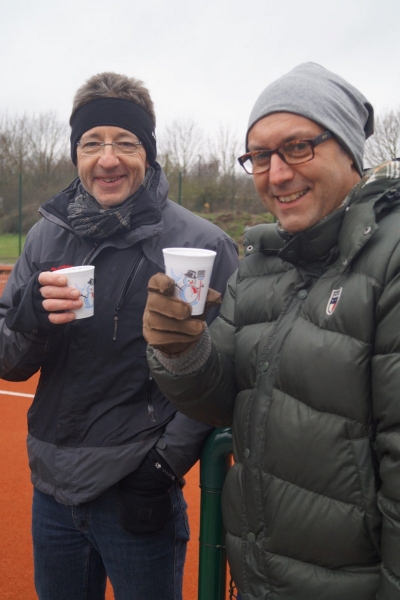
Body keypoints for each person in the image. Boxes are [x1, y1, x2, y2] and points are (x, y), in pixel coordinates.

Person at [144, 62, 400, 599]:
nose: (276, 174)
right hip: (260, 580)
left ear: (349, 152)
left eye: (298, 147)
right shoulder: (260, 263)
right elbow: (222, 402)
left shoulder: (391, 257)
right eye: (259, 157)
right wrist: (182, 350)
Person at [0, 72, 238, 600]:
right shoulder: (44, 237)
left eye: (125, 142)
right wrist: (28, 316)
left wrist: (163, 465)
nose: (107, 159)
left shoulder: (203, 245)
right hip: (52, 490)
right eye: (92, 143)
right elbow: (8, 362)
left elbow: (223, 370)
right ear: (76, 155)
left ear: (148, 152)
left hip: (138, 486)